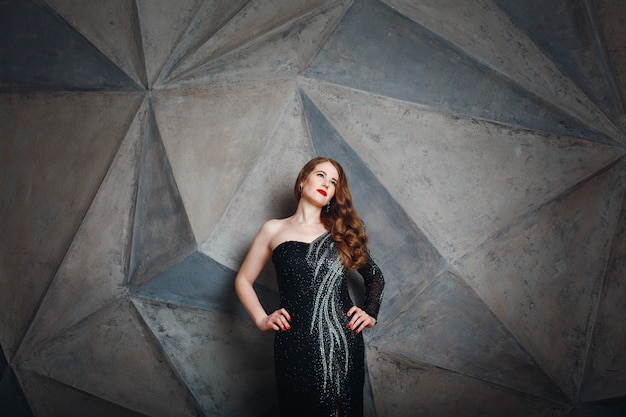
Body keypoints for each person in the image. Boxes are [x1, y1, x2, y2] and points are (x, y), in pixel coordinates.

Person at [234, 157, 385, 417]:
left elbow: (375, 278)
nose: (327, 184)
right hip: (294, 344)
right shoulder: (273, 229)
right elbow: (243, 280)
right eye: (321, 175)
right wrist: (261, 319)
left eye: (334, 182)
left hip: (342, 342)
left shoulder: (341, 232)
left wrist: (369, 312)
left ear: (335, 195)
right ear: (303, 181)